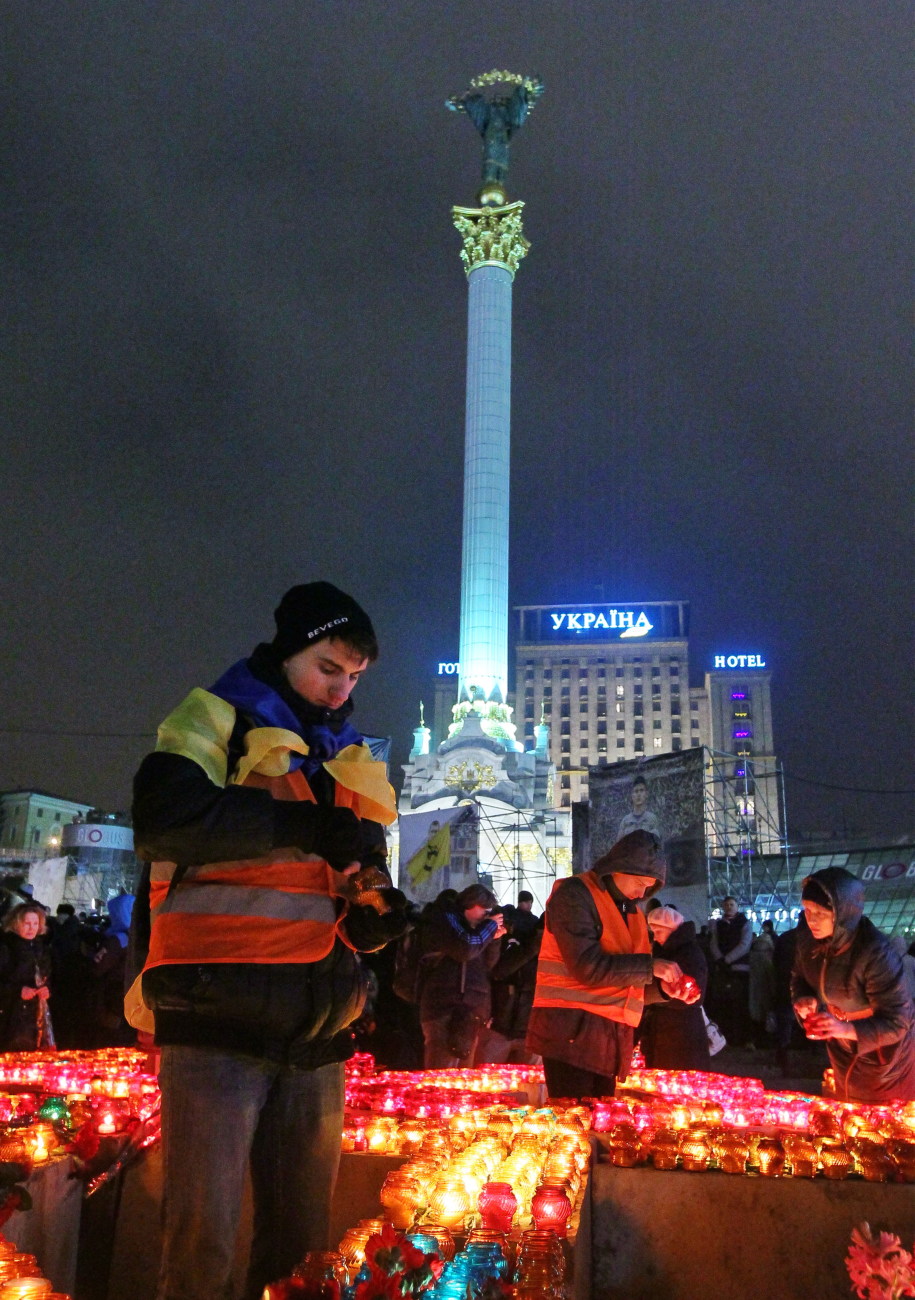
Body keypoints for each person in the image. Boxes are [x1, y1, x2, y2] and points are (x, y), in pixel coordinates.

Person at [130, 581, 408, 1300]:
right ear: (288, 652)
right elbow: (165, 819)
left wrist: (372, 918)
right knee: (203, 1246)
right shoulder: (216, 716)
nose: (340, 690)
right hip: (216, 1019)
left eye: (353, 677)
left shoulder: (345, 754)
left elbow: (342, 883)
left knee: (301, 1251)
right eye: (327, 667)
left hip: (317, 1034)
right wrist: (304, 826)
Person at [526, 830, 698, 1099]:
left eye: (649, 886)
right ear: (618, 867)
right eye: (640, 882)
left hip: (608, 1041)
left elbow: (626, 985)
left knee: (600, 1128)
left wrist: (664, 991)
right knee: (576, 1129)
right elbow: (588, 967)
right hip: (570, 1036)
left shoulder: (631, 911)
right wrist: (650, 966)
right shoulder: (575, 894)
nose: (643, 892)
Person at [792, 867, 915, 1103]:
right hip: (842, 1049)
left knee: (880, 1121)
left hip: (885, 1057)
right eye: (807, 909)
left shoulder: (874, 952)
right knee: (848, 1109)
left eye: (821, 912)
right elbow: (799, 977)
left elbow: (899, 1020)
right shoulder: (809, 942)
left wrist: (844, 1028)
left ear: (842, 912)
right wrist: (804, 999)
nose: (811, 919)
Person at [415, 884, 505, 1068]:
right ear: (470, 904)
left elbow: (488, 965)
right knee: (441, 1073)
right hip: (443, 1009)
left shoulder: (478, 932)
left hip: (471, 1013)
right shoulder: (446, 920)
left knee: (464, 1081)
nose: (486, 915)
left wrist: (494, 939)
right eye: (484, 909)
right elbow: (465, 949)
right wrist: (489, 927)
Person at [640, 905, 711, 1071]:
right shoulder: (662, 951)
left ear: (671, 930)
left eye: (659, 932)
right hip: (663, 1029)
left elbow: (692, 995)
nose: (655, 938)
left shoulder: (689, 953)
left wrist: (658, 996)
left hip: (682, 1032)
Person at [0, 903, 54, 1050]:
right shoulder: (6, 947)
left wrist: (46, 989)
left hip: (35, 1016)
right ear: (16, 924)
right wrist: (18, 991)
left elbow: (46, 976)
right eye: (27, 923)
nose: (32, 928)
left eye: (35, 923)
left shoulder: (40, 948)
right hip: (10, 1016)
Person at [708, 895, 753, 1046]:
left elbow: (744, 945)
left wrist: (725, 960)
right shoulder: (718, 925)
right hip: (724, 969)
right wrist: (720, 960)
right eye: (726, 905)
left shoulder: (744, 923)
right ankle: (726, 1037)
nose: (729, 907)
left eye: (731, 904)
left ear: (737, 906)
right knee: (724, 1004)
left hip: (739, 969)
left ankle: (743, 1038)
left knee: (740, 1004)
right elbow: (713, 943)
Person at [614, 775, 661, 843]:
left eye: (641, 791)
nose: (639, 794)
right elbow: (618, 846)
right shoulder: (625, 821)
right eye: (636, 791)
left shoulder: (652, 819)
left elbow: (657, 845)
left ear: (646, 794)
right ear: (632, 795)